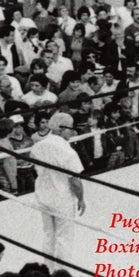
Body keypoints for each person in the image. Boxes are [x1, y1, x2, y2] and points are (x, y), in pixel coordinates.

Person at [30, 112, 85, 266]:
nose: (73, 132)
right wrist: (81, 199)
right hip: (61, 197)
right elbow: (75, 180)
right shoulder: (68, 151)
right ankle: (62, 272)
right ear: (60, 129)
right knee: (64, 237)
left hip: (43, 195)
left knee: (49, 234)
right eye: (70, 129)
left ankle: (47, 267)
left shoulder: (38, 147)